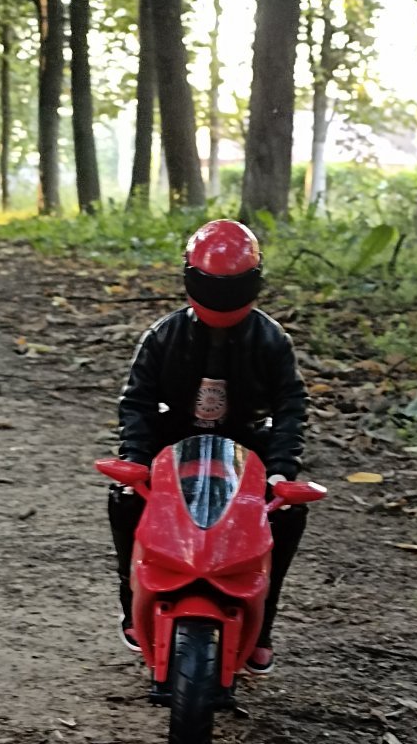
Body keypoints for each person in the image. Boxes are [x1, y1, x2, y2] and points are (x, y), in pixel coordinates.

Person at [108, 219, 307, 676]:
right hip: (172, 434)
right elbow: (137, 400)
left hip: (245, 440)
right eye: (213, 284)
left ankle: (262, 624)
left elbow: (291, 404)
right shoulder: (164, 335)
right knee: (124, 497)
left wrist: (281, 468)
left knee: (288, 511)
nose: (222, 295)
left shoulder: (271, 339)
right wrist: (136, 457)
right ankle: (133, 600)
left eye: (233, 285)